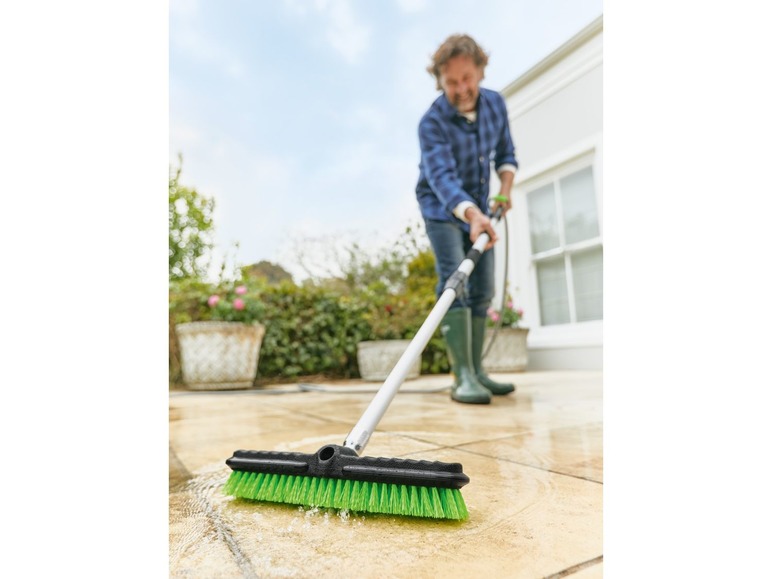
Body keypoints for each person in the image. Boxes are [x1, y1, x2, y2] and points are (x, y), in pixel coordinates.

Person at [416, 34, 518, 405]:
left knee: (483, 287)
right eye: (451, 83)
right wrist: (472, 213)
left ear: (480, 71)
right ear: (440, 81)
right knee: (453, 280)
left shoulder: (495, 105)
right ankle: (461, 377)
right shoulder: (432, 122)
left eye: (467, 79)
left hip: (480, 210)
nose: (461, 89)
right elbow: (441, 177)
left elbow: (506, 154)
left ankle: (477, 372)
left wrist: (503, 191)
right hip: (442, 209)